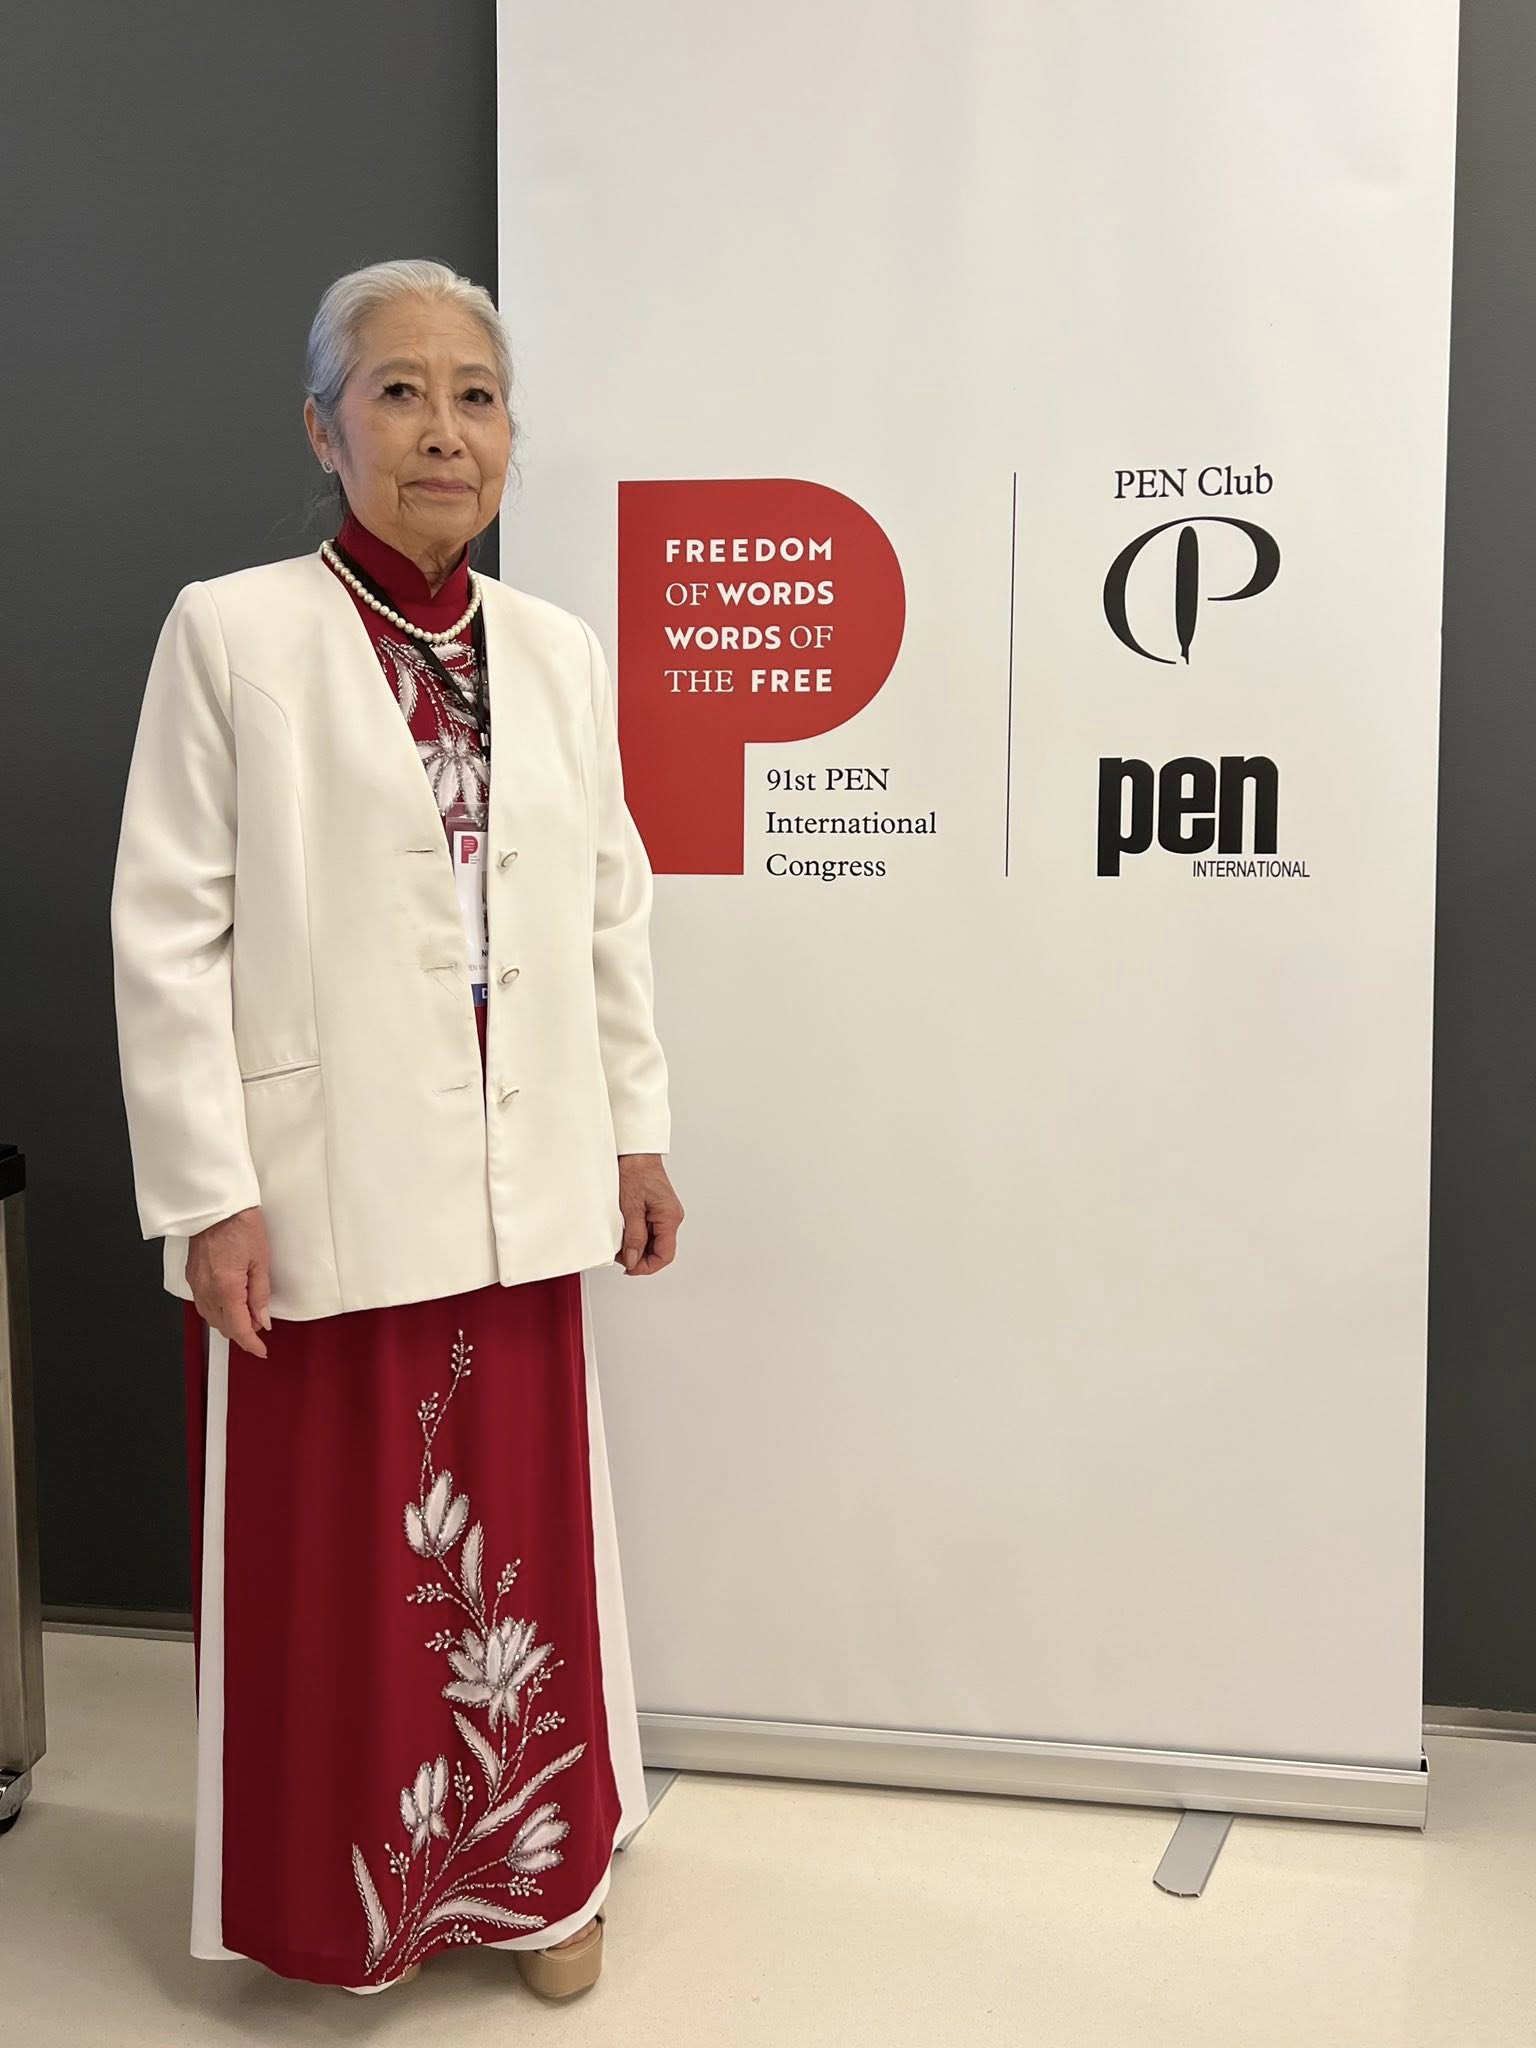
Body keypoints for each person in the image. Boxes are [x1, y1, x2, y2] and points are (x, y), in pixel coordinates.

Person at [108, 258, 683, 1998]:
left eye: (477, 396)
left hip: (525, 1177)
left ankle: (540, 1888)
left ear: (511, 435)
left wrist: (635, 1132)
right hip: (324, 1187)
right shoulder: (235, 633)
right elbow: (166, 929)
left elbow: (607, 907)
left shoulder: (558, 653)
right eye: (400, 391)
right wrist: (207, 1193)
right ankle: (343, 1908)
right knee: (346, 1561)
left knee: (524, 1536)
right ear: (324, 427)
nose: (445, 429)